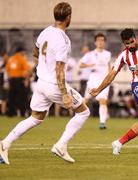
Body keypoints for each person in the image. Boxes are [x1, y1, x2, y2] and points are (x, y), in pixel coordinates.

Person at [0, 2, 90, 164]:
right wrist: (64, 94)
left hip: (41, 83)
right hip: (53, 85)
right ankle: (61, 146)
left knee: (36, 117)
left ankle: (4, 144)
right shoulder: (63, 40)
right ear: (68, 17)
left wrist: (42, 67)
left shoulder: (45, 31)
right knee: (83, 111)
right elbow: (59, 69)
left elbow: (35, 52)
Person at [79, 33, 111, 129]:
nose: (100, 42)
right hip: (93, 80)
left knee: (103, 100)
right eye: (98, 40)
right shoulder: (90, 54)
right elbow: (81, 65)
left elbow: (108, 66)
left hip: (104, 81)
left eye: (102, 40)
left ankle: (102, 123)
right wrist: (90, 65)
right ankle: (77, 116)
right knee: (86, 100)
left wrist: (110, 76)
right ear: (95, 42)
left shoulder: (107, 54)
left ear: (104, 42)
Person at [5, 46, 31, 117]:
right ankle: (22, 112)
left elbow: (7, 70)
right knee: (22, 97)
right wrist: (26, 80)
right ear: (21, 51)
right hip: (20, 80)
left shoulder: (11, 59)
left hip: (12, 80)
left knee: (11, 97)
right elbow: (27, 70)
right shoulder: (22, 59)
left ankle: (10, 113)